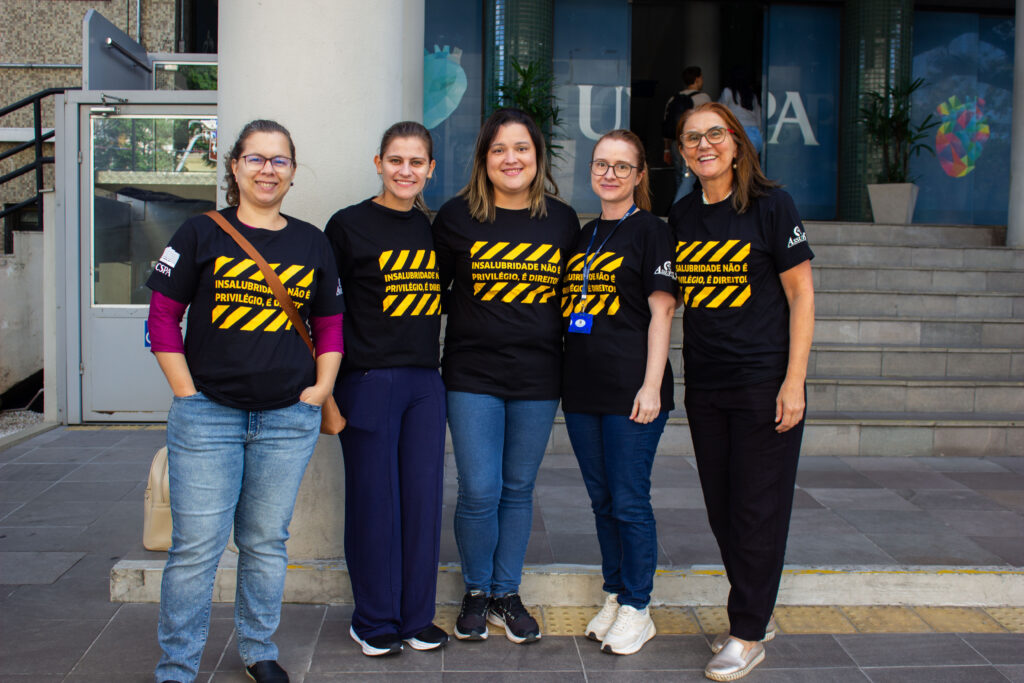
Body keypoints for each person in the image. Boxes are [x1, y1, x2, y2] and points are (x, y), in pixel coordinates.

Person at [147, 119, 344, 683]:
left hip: (286, 419)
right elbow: (162, 318)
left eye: (279, 160)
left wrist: (321, 389)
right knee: (196, 548)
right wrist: (186, 393)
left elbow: (330, 324)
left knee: (264, 542)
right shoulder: (199, 233)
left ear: (293, 171)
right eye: (255, 158)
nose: (267, 170)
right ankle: (177, 666)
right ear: (234, 166)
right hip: (207, 415)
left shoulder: (311, 242)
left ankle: (259, 649)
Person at [669, 102, 814, 681]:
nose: (703, 145)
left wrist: (794, 382)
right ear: (682, 153)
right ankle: (757, 605)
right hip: (707, 384)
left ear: (735, 142)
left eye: (714, 134)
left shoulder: (771, 206)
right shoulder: (682, 216)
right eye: (691, 138)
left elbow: (801, 294)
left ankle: (747, 633)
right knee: (723, 508)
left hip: (763, 383)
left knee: (758, 509)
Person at [432, 108, 579, 644]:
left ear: (537, 157)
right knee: (479, 489)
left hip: (539, 376)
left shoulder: (562, 220)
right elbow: (429, 294)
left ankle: (505, 592)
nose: (510, 158)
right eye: (499, 149)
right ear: (483, 158)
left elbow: (575, 299)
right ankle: (476, 590)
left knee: (518, 488)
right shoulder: (455, 217)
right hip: (472, 374)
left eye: (521, 148)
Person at [324, 121, 448, 657]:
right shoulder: (347, 225)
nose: (405, 170)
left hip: (425, 382)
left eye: (416, 162)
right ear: (379, 163)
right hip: (367, 380)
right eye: (396, 160)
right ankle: (373, 618)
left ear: (430, 169)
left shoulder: (434, 230)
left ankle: (417, 617)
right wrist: (326, 390)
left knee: (422, 504)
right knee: (374, 502)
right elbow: (324, 311)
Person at [561, 130, 677, 655]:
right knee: (602, 499)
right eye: (601, 164)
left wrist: (651, 386)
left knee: (629, 500)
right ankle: (614, 592)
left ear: (639, 175)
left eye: (622, 166)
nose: (609, 174)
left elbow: (662, 311)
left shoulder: (652, 230)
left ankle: (638, 605)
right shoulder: (584, 234)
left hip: (633, 390)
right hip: (584, 390)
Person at [662, 65, 712, 203]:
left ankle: (682, 208)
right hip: (692, 143)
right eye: (701, 78)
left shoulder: (673, 99)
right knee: (688, 178)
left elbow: (666, 125)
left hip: (675, 143)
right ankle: (677, 209)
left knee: (680, 178)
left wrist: (666, 149)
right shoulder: (703, 98)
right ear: (697, 79)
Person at [719, 67, 764, 154]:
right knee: (750, 160)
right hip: (754, 132)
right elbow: (758, 116)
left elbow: (720, 110)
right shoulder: (752, 95)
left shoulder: (728, 92)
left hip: (736, 130)